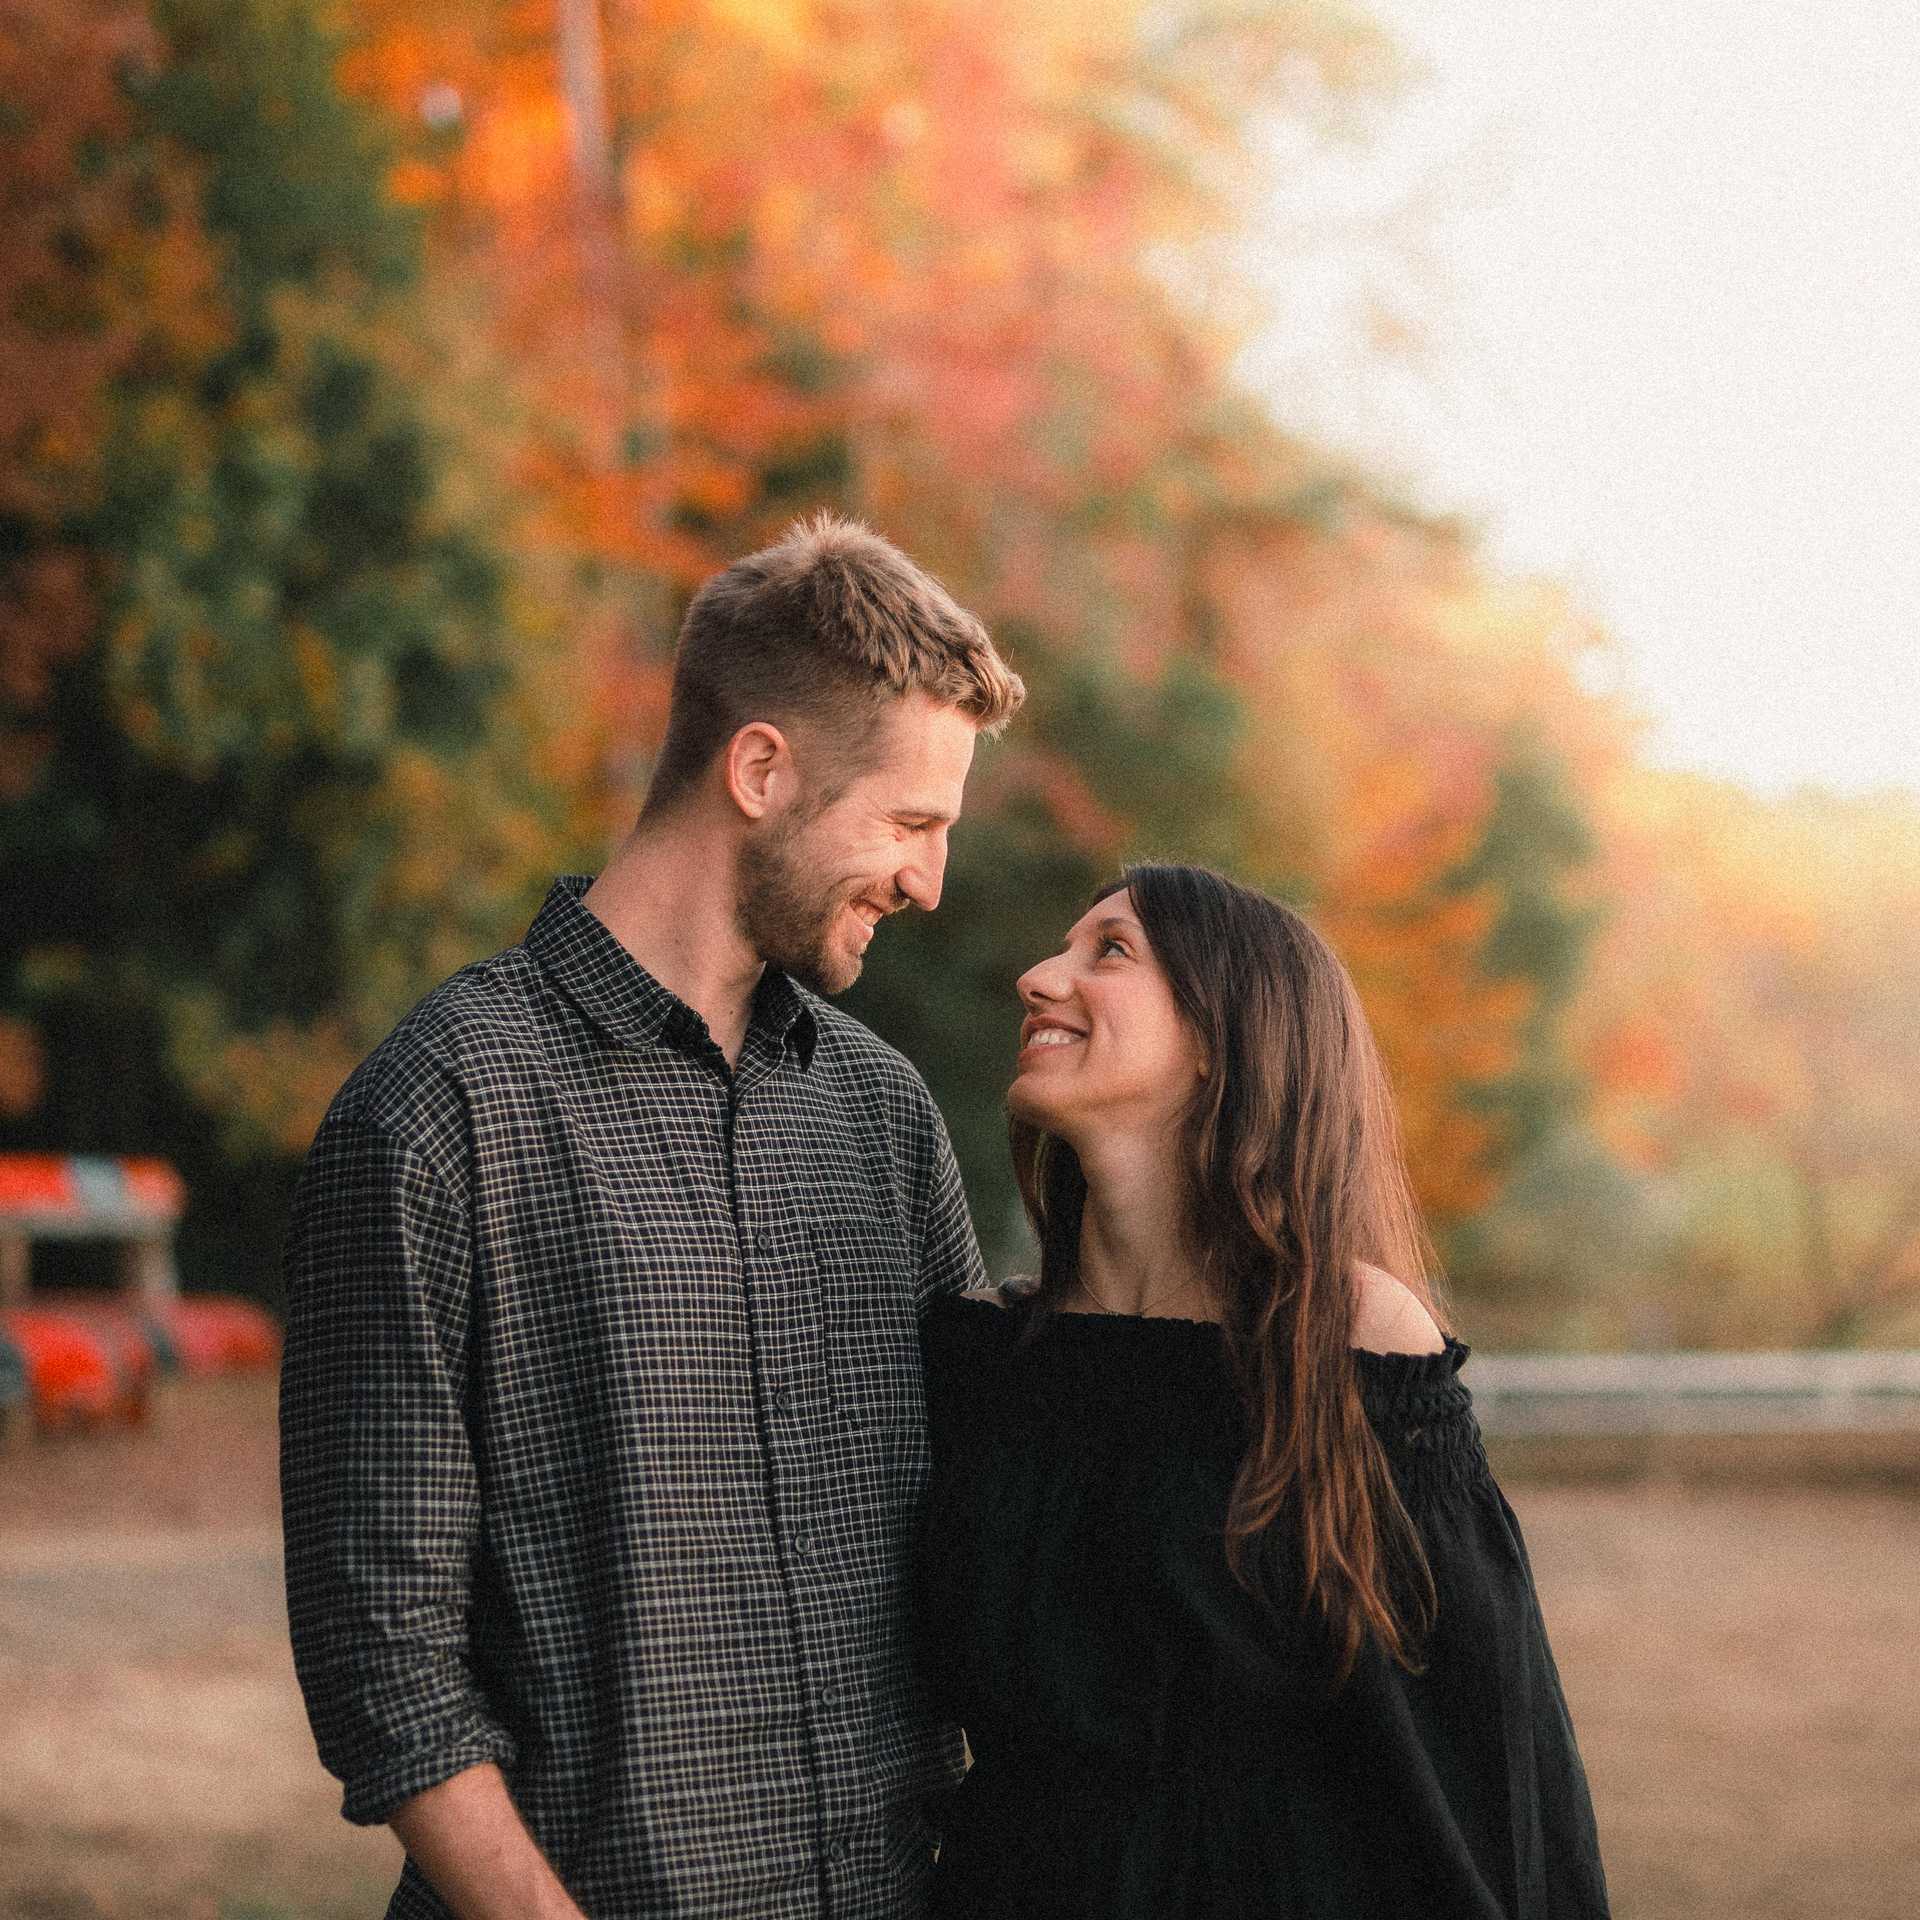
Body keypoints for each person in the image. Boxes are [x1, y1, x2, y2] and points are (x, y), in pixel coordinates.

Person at [280, 512, 1024, 1920]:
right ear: (761, 769)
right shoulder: (436, 1116)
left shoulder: (884, 1119)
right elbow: (387, 1671)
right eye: (913, 823)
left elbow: (987, 1552)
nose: (930, 883)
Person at [915, 863, 1610, 1919]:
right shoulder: (983, 1357)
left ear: (1217, 1037)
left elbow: (1485, 1756)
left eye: (1109, 951)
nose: (1038, 978)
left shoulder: (1350, 1341)